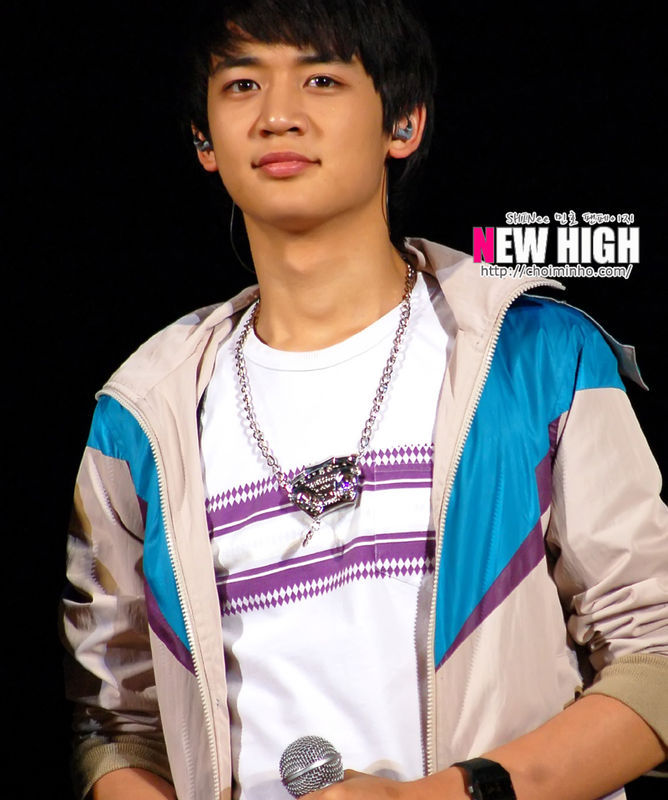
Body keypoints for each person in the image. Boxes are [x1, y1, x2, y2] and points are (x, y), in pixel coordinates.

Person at [60, 1, 668, 798]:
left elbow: (655, 655)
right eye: (242, 85)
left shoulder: (534, 355)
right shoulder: (143, 414)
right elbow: (114, 722)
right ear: (204, 140)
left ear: (403, 124)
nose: (278, 115)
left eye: (321, 79)